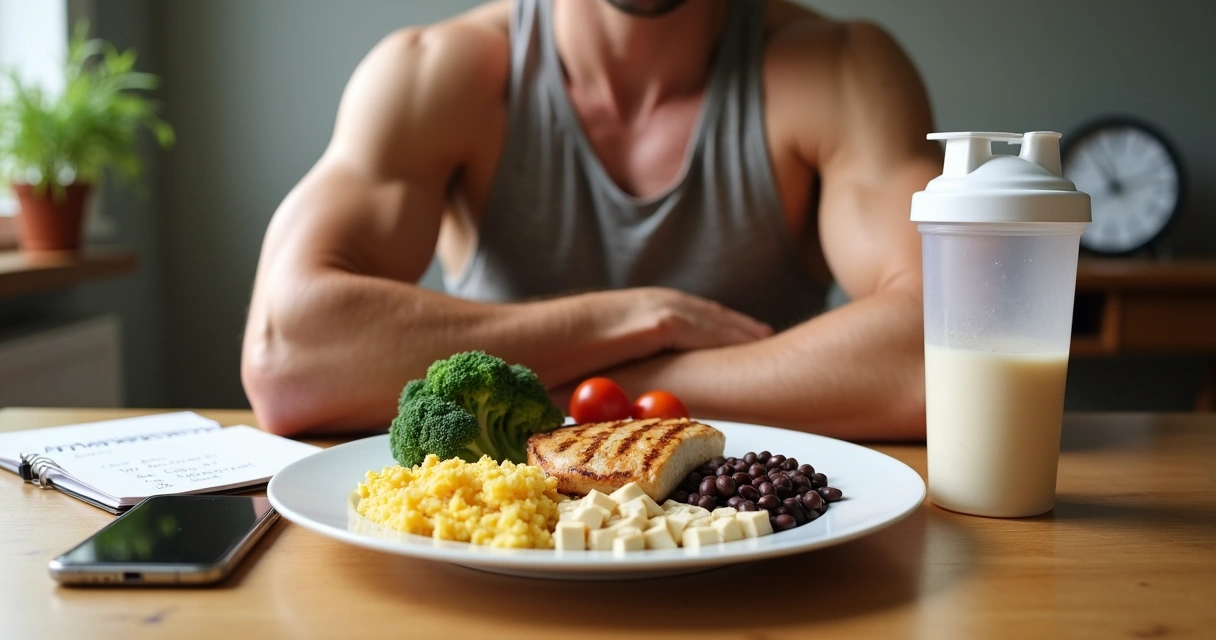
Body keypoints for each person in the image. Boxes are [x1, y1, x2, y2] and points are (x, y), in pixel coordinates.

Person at [241, 0, 941, 439]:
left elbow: (950, 339)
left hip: (749, 531)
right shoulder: (435, 72)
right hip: (504, 540)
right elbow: (288, 356)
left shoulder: (843, 70)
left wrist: (578, 393)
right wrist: (632, 316)